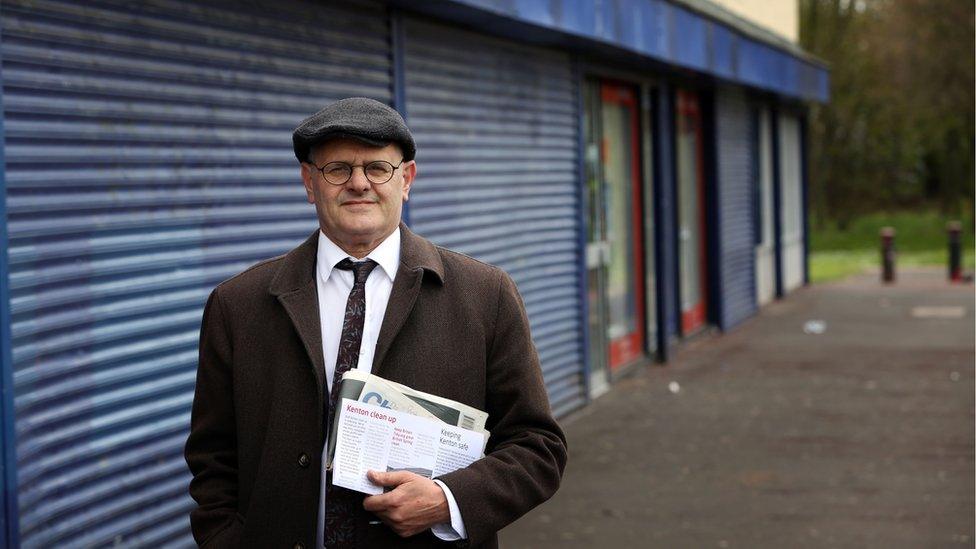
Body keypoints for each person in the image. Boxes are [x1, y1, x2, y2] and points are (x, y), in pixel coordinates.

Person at [185, 97, 567, 548]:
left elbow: (538, 448)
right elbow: (212, 458)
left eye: (377, 168)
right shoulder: (238, 304)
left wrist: (448, 500)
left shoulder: (484, 295)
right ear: (310, 183)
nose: (359, 184)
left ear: (406, 179)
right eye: (338, 169)